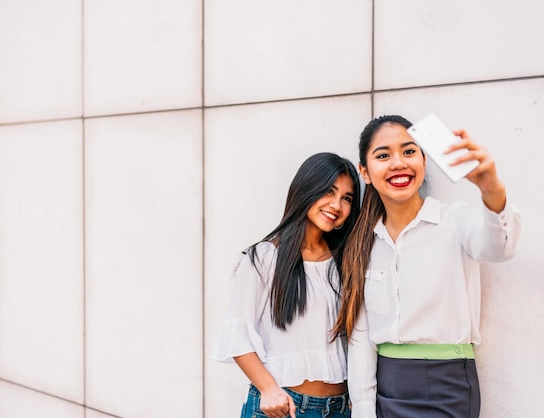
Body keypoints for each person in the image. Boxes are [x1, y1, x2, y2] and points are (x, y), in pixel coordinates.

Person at [333, 115, 521, 418]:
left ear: (423, 159)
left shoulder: (454, 220)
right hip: (387, 387)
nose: (398, 163)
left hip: (448, 384)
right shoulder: (363, 242)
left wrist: (491, 189)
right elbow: (361, 333)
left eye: (409, 151)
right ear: (365, 172)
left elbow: (500, 247)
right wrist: (364, 408)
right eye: (383, 155)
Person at [213, 152, 361, 418]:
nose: (337, 205)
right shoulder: (264, 258)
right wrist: (268, 389)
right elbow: (238, 335)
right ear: (306, 189)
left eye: (347, 198)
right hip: (286, 408)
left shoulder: (345, 262)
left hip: (341, 409)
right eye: (329, 191)